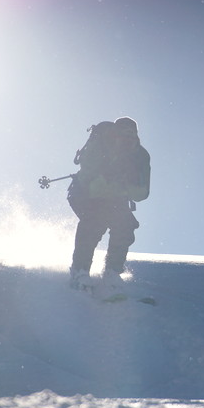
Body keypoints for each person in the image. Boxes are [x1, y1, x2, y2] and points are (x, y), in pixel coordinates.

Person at [67, 117, 150, 290]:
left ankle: (112, 274)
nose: (126, 141)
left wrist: (124, 185)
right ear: (114, 134)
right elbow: (88, 178)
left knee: (125, 226)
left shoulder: (140, 156)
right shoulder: (101, 145)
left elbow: (142, 193)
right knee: (94, 222)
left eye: (130, 137)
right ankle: (79, 272)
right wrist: (108, 178)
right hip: (84, 194)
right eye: (122, 136)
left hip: (113, 201)